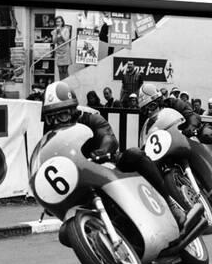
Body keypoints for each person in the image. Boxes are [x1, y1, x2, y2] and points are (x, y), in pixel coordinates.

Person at [41, 81, 202, 228]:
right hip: (80, 179)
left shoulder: (89, 117)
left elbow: (107, 135)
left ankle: (171, 205)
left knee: (135, 154)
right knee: (65, 232)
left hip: (107, 163)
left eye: (62, 115)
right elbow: (48, 161)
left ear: (72, 110)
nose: (57, 122)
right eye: (52, 118)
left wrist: (102, 151)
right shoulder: (51, 135)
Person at [138, 83, 212, 195]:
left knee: (207, 134)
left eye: (151, 106)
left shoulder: (173, 103)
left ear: (159, 100)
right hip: (168, 148)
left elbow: (192, 115)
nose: (149, 112)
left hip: (187, 134)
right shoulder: (147, 123)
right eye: (145, 110)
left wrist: (191, 126)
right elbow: (146, 141)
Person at [51, 16, 72, 81]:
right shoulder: (55, 31)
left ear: (62, 22)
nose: (58, 23)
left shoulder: (66, 29)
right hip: (59, 52)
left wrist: (61, 32)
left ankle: (67, 84)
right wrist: (56, 34)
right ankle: (61, 84)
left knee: (65, 70)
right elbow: (54, 42)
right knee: (60, 70)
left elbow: (66, 40)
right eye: (57, 22)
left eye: (59, 21)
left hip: (65, 52)